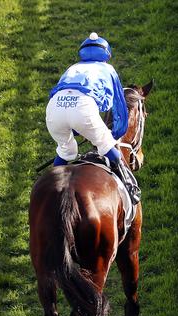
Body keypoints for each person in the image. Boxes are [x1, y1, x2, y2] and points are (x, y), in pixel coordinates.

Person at [45, 32, 140, 204]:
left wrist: (75, 126)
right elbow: (118, 104)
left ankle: (52, 188)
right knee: (106, 144)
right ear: (106, 55)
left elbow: (62, 100)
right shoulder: (108, 69)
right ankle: (128, 183)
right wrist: (114, 133)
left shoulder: (72, 68)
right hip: (82, 107)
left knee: (66, 149)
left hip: (53, 108)